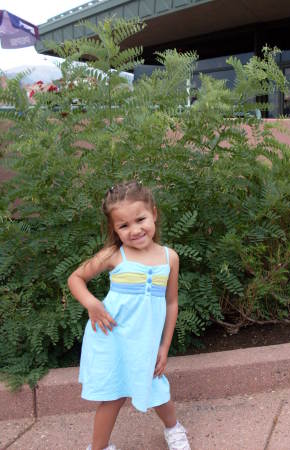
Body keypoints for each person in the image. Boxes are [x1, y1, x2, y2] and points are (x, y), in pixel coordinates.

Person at [68, 180, 191, 450]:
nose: (135, 230)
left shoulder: (169, 258)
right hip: (112, 337)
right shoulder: (114, 255)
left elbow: (171, 303)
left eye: (140, 219)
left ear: (154, 213)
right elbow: (76, 278)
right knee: (112, 396)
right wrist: (92, 304)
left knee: (157, 388)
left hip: (145, 341)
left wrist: (164, 346)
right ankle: (98, 448)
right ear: (114, 229)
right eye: (124, 225)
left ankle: (174, 429)